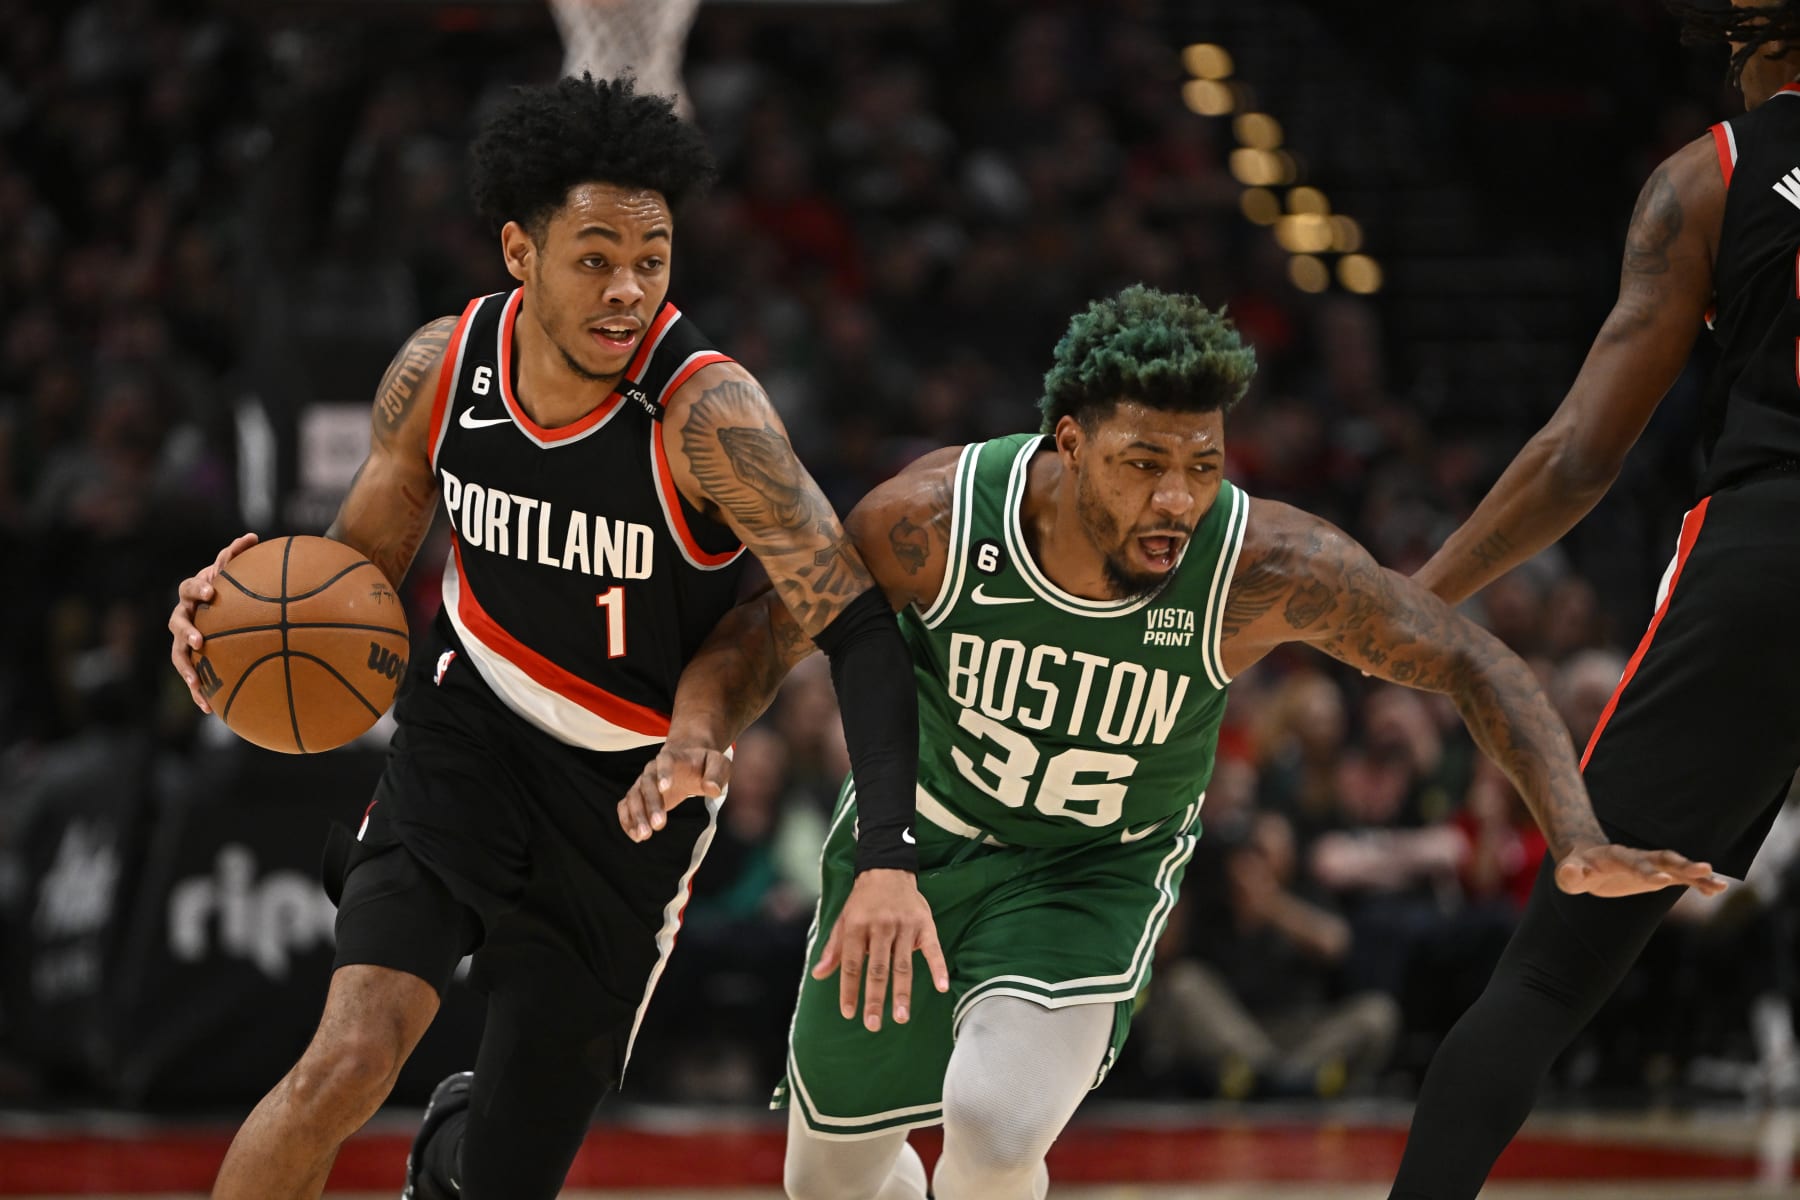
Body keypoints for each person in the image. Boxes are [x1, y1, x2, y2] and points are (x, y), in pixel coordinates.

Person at [618, 285, 1721, 1200]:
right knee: (829, 1183)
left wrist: (1570, 833)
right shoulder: (939, 519)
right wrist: (697, 734)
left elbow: (1470, 658)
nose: (1178, 497)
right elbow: (768, 630)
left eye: (1202, 463)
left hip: (1092, 872)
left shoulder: (1261, 567)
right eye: (1145, 462)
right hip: (917, 850)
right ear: (1070, 443)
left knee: (995, 1123)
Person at [163, 75, 940, 1200]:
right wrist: (233, 622)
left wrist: (886, 860)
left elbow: (858, 629)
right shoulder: (443, 370)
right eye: (594, 257)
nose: (628, 289)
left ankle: (453, 1149)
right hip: (466, 732)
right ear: (520, 252)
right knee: (342, 1063)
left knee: (500, 1179)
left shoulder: (710, 419)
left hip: (634, 797)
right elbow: (348, 585)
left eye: (653, 258)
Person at [1386, 3, 1800, 1193]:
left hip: (1771, 556)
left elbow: (1580, 456)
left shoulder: (1711, 176)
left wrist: (1419, 595)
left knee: (1553, 973)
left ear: (1757, 55)